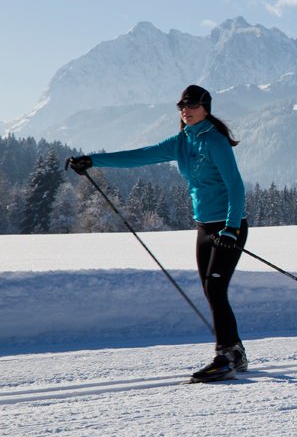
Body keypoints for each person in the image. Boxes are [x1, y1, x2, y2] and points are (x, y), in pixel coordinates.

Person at [67, 84, 250, 382]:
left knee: (215, 288)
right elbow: (140, 155)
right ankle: (236, 351)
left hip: (229, 226)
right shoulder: (182, 141)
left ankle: (225, 357)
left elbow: (235, 186)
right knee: (210, 289)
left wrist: (231, 228)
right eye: (181, 106)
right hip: (204, 226)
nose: (185, 110)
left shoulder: (214, 141)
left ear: (206, 108)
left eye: (190, 105)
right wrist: (93, 160)